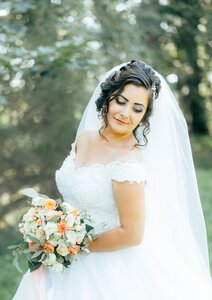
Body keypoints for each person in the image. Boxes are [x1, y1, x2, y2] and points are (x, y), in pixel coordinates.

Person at [13, 60, 212, 299]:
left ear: (144, 116)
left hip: (103, 264)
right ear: (108, 97)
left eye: (137, 108)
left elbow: (132, 234)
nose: (125, 113)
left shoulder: (129, 163)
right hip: (61, 255)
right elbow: (77, 193)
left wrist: (67, 246)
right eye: (121, 101)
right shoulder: (85, 139)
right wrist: (50, 227)